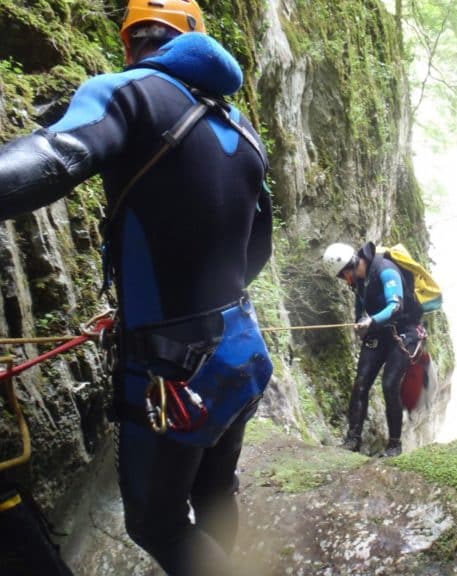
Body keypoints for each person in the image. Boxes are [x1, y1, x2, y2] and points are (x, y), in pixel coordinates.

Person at [0, 1, 273, 574]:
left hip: (171, 372)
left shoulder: (126, 92)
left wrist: (161, 307)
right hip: (242, 350)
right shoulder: (243, 132)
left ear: (129, 44)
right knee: (215, 493)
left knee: (157, 524)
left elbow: (53, 158)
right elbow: (257, 252)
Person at [322, 241, 426, 457]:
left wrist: (371, 321)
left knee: (389, 384)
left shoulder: (385, 269)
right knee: (361, 383)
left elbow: (396, 306)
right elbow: (362, 306)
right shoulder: (360, 280)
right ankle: (353, 440)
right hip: (379, 332)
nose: (344, 280)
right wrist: (360, 322)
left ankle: (395, 446)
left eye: (343, 275)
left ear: (350, 264)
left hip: (405, 331)